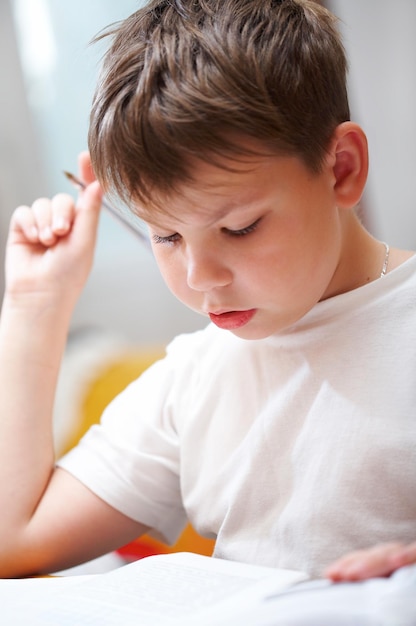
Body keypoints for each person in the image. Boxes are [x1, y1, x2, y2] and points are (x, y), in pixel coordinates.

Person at [0, 0, 415, 582]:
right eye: (165, 236)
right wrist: (33, 307)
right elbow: (15, 542)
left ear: (341, 168)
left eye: (239, 228)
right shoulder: (196, 377)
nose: (200, 278)